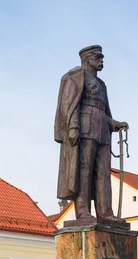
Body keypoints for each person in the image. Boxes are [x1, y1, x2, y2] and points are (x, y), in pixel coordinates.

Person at [54, 45, 129, 222]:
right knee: (84, 170)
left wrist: (113, 123)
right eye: (98, 57)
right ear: (87, 59)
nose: (102, 61)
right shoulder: (75, 77)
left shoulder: (102, 84)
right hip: (84, 127)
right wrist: (73, 127)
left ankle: (106, 212)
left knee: (103, 172)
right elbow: (69, 105)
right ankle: (83, 212)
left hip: (102, 128)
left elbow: (102, 109)